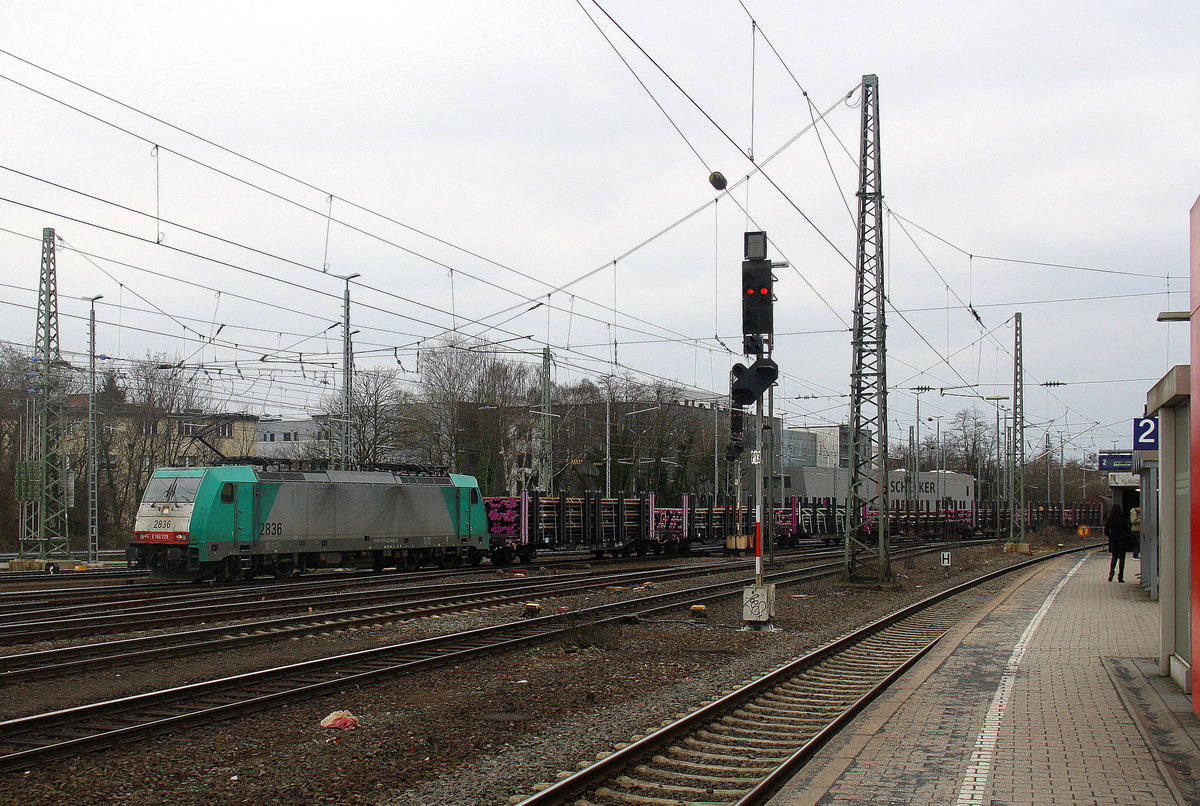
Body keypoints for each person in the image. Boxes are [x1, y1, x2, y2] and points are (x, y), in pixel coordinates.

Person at [1104, 504, 1134, 583]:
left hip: (1113, 541)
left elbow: (1106, 531)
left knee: (1114, 558)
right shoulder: (1123, 518)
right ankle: (1120, 576)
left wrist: (1111, 536)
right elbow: (1127, 530)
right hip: (1122, 541)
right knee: (1122, 559)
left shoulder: (1110, 518)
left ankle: (1111, 574)